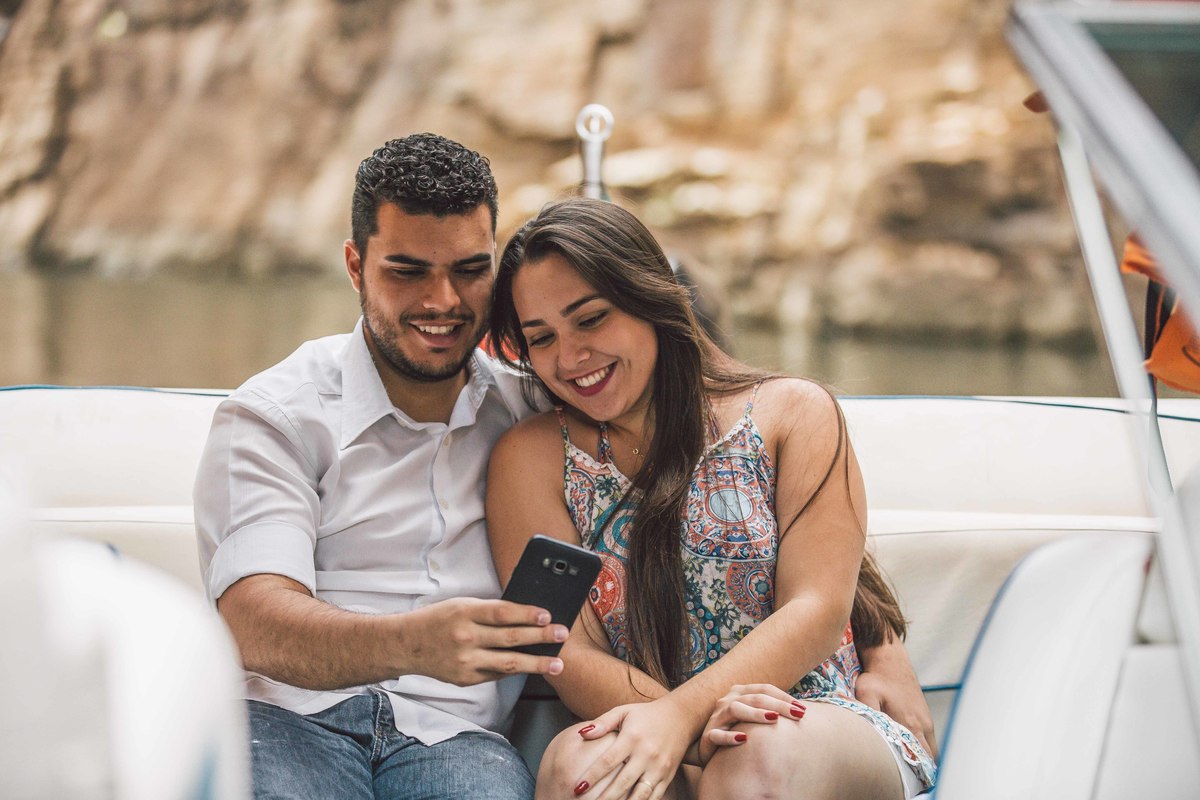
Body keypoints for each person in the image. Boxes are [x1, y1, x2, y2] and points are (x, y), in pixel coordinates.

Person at [194, 133, 930, 800]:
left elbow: (816, 568)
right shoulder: (288, 415)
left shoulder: (534, 404)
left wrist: (883, 644)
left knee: (749, 759)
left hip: (463, 738)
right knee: (581, 771)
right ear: (355, 266)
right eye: (407, 271)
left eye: (469, 271)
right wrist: (412, 643)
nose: (442, 300)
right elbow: (254, 622)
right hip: (298, 717)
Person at [485, 198, 938, 799]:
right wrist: (684, 732)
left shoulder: (793, 412)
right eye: (541, 339)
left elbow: (817, 610)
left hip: (815, 720)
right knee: (579, 767)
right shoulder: (529, 458)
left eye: (591, 319)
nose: (570, 358)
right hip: (644, 720)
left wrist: (681, 718)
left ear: (649, 298)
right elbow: (570, 647)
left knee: (755, 754)